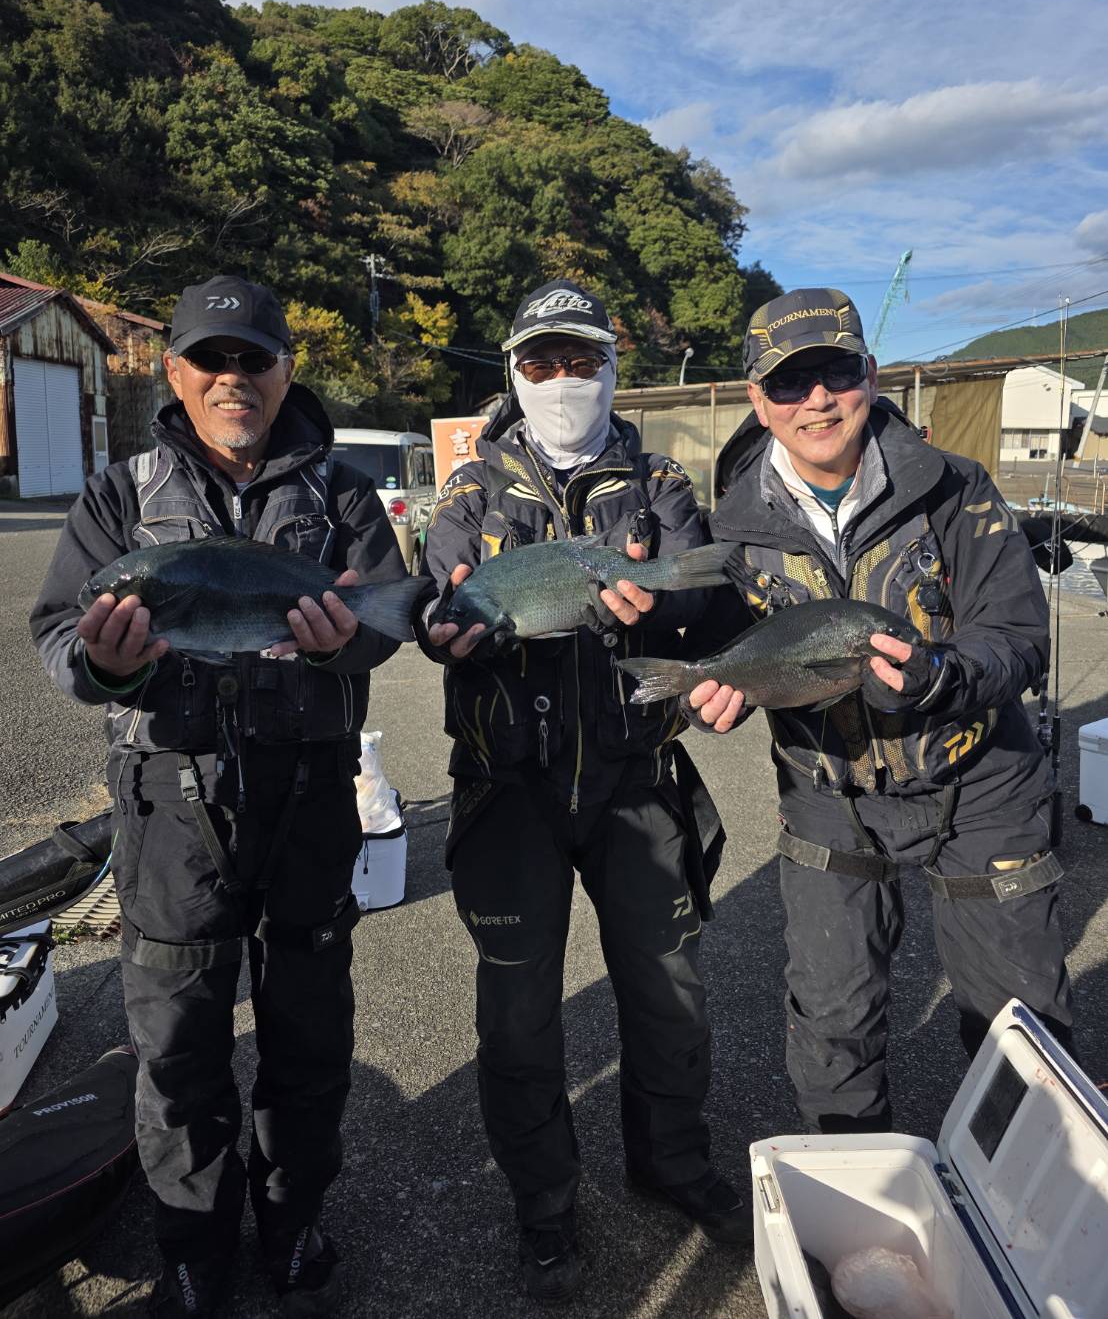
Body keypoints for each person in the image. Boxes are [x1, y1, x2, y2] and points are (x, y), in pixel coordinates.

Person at [30, 275, 409, 1316]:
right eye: (210, 357)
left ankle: (292, 1221)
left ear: (286, 368)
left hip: (311, 797)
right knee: (178, 1038)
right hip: (167, 803)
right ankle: (194, 1243)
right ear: (174, 370)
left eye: (254, 357)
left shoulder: (343, 496)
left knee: (308, 1029)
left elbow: (385, 620)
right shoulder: (119, 495)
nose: (232, 376)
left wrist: (344, 643)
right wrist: (103, 665)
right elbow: (60, 631)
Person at [415, 279, 741, 1304]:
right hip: (505, 786)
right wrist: (443, 629)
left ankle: (672, 1161)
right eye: (543, 361)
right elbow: (435, 603)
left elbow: (706, 608)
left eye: (583, 359)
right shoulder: (468, 492)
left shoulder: (661, 484)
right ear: (514, 372)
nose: (563, 378)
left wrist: (659, 616)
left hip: (636, 777)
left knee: (671, 995)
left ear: (611, 368)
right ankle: (544, 1200)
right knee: (517, 1014)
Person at [685, 287, 1074, 1134]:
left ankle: (1032, 1187)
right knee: (832, 1021)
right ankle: (857, 1187)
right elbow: (723, 654)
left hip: (981, 776)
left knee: (1022, 1025)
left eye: (834, 371)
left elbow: (1018, 637)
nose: (816, 399)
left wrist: (940, 675)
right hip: (827, 788)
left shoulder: (956, 487)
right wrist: (714, 701)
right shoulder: (732, 527)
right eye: (788, 382)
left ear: (869, 373)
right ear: (758, 399)